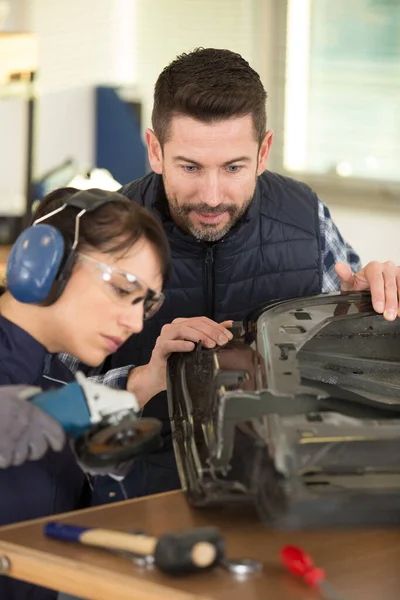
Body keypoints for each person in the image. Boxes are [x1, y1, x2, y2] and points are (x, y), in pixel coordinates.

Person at [60, 47, 400, 504]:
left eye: (234, 167)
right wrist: (145, 376)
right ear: (155, 150)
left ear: (263, 152)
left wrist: (361, 315)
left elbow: (344, 384)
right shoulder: (104, 237)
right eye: (190, 167)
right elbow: (49, 415)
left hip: (282, 491)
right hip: (140, 500)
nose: (212, 196)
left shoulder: (306, 217)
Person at [0, 186, 169, 600]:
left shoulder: (57, 381)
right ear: (46, 261)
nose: (134, 323)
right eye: (121, 288)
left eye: (144, 304)